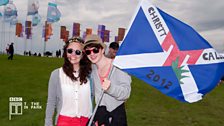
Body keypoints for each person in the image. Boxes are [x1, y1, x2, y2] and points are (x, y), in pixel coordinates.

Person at [84, 34, 131, 126]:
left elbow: (126, 93)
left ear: (102, 50)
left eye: (95, 50)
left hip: (116, 117)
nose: (92, 54)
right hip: (100, 116)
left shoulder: (117, 66)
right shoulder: (93, 69)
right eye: (88, 52)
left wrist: (110, 88)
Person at [45, 37, 93, 126]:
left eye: (78, 52)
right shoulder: (56, 74)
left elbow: (93, 97)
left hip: (86, 122)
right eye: (70, 51)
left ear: (83, 55)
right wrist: (48, 123)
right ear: (65, 52)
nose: (73, 55)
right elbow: (51, 102)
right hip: (64, 122)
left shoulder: (90, 75)